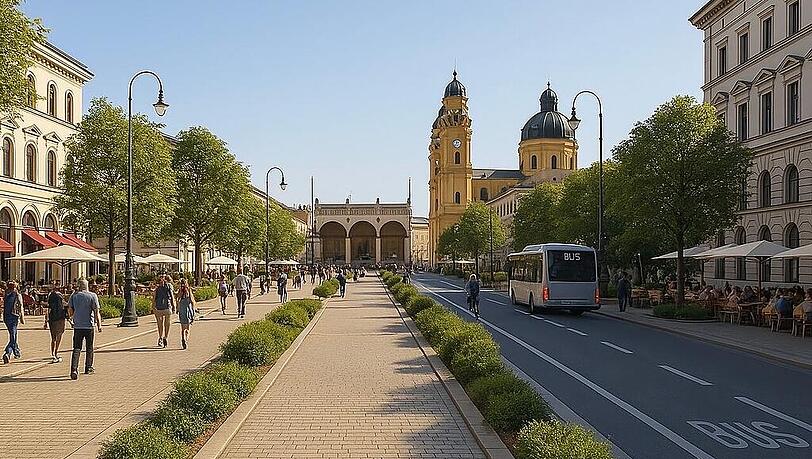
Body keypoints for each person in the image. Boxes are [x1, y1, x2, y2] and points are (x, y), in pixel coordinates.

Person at [68, 279, 102, 380]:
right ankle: (88, 367)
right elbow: (96, 311)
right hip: (89, 325)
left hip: (78, 326)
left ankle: (74, 369)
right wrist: (98, 324)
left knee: (76, 348)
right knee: (89, 347)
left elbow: (70, 309)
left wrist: (72, 318)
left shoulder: (74, 295)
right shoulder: (92, 296)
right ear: (87, 286)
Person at [2, 282, 24, 365]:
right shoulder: (17, 295)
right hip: (14, 317)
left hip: (6, 318)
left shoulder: (6, 294)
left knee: (12, 335)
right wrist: (22, 318)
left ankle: (17, 352)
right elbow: (21, 306)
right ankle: (7, 353)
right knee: (13, 336)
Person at [45, 283, 67, 363]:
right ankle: (56, 352)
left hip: (52, 318)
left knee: (53, 337)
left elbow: (49, 308)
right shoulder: (60, 296)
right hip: (60, 318)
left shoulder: (51, 296)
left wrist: (46, 320)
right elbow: (65, 306)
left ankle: (53, 353)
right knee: (59, 335)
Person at [153, 276, 176, 348]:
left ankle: (162, 337)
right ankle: (163, 337)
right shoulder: (168, 286)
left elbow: (154, 298)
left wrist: (153, 306)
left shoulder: (160, 288)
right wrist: (174, 306)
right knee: (165, 323)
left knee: (162, 324)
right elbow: (172, 296)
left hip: (161, 307)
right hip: (164, 307)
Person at [177, 279, 196, 350]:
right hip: (188, 309)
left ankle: (182, 338)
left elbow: (177, 299)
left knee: (182, 327)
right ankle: (186, 340)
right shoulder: (189, 290)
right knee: (188, 328)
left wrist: (177, 308)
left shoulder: (180, 291)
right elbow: (192, 301)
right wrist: (193, 310)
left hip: (182, 310)